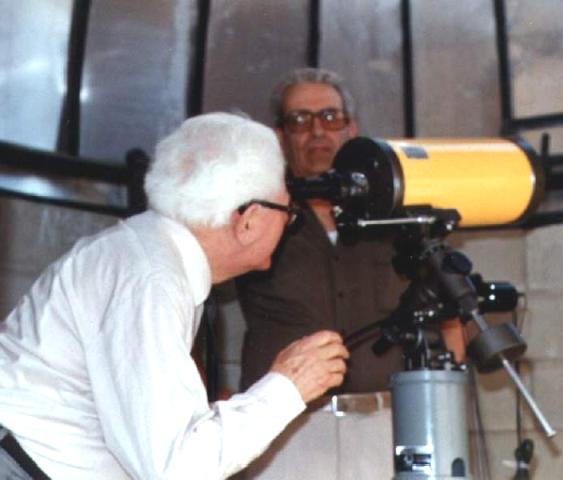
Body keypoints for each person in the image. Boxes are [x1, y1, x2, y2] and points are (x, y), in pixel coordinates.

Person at [0, 113, 349, 480]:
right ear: (248, 219)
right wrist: (287, 387)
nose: (288, 223)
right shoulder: (151, 280)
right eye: (288, 211)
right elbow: (177, 469)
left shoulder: (148, 255)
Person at [236, 68, 409, 394]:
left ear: (351, 129)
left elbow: (450, 318)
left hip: (388, 416)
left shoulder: (395, 215)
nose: (317, 131)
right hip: (284, 420)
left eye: (330, 117)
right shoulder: (252, 212)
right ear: (280, 135)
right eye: (300, 119)